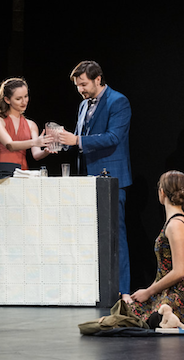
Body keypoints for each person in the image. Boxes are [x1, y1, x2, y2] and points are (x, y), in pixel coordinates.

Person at [57, 61, 133, 301]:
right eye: (78, 85)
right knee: (88, 236)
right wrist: (60, 142)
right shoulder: (82, 105)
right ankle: (93, 288)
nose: (81, 89)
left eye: (84, 84)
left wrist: (76, 140)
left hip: (110, 177)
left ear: (98, 79)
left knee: (115, 236)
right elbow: (82, 138)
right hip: (85, 178)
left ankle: (123, 291)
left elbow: (112, 138)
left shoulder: (118, 101)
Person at [128, 170, 184, 325]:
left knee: (147, 317)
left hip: (180, 292)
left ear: (161, 193)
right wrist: (148, 291)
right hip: (169, 288)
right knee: (131, 308)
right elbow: (164, 272)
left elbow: (179, 272)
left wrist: (148, 292)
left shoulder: (175, 225)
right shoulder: (175, 222)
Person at [0, 77, 54, 175]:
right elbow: (9, 145)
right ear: (7, 100)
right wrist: (35, 142)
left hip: (22, 171)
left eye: (26, 96)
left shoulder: (31, 124)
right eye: (18, 99)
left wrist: (47, 151)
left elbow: (36, 154)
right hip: (1, 171)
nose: (24, 102)